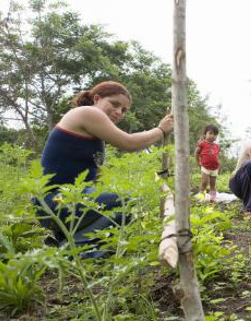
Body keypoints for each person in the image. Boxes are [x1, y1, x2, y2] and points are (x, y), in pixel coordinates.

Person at [33, 81, 173, 258]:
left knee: (122, 211)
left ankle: (69, 242)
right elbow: (129, 143)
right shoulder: (87, 113)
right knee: (126, 201)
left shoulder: (94, 135)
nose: (118, 112)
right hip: (54, 201)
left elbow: (94, 178)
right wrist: (161, 130)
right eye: (114, 104)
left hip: (68, 201)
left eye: (123, 110)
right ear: (97, 99)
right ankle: (73, 249)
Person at [194, 124, 221, 202]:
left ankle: (213, 199)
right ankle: (202, 198)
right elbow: (196, 153)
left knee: (213, 184)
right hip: (205, 167)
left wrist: (219, 165)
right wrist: (198, 162)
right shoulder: (202, 144)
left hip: (215, 168)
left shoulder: (216, 146)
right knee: (204, 182)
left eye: (215, 134)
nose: (213, 136)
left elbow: (216, 156)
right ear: (205, 134)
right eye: (210, 133)